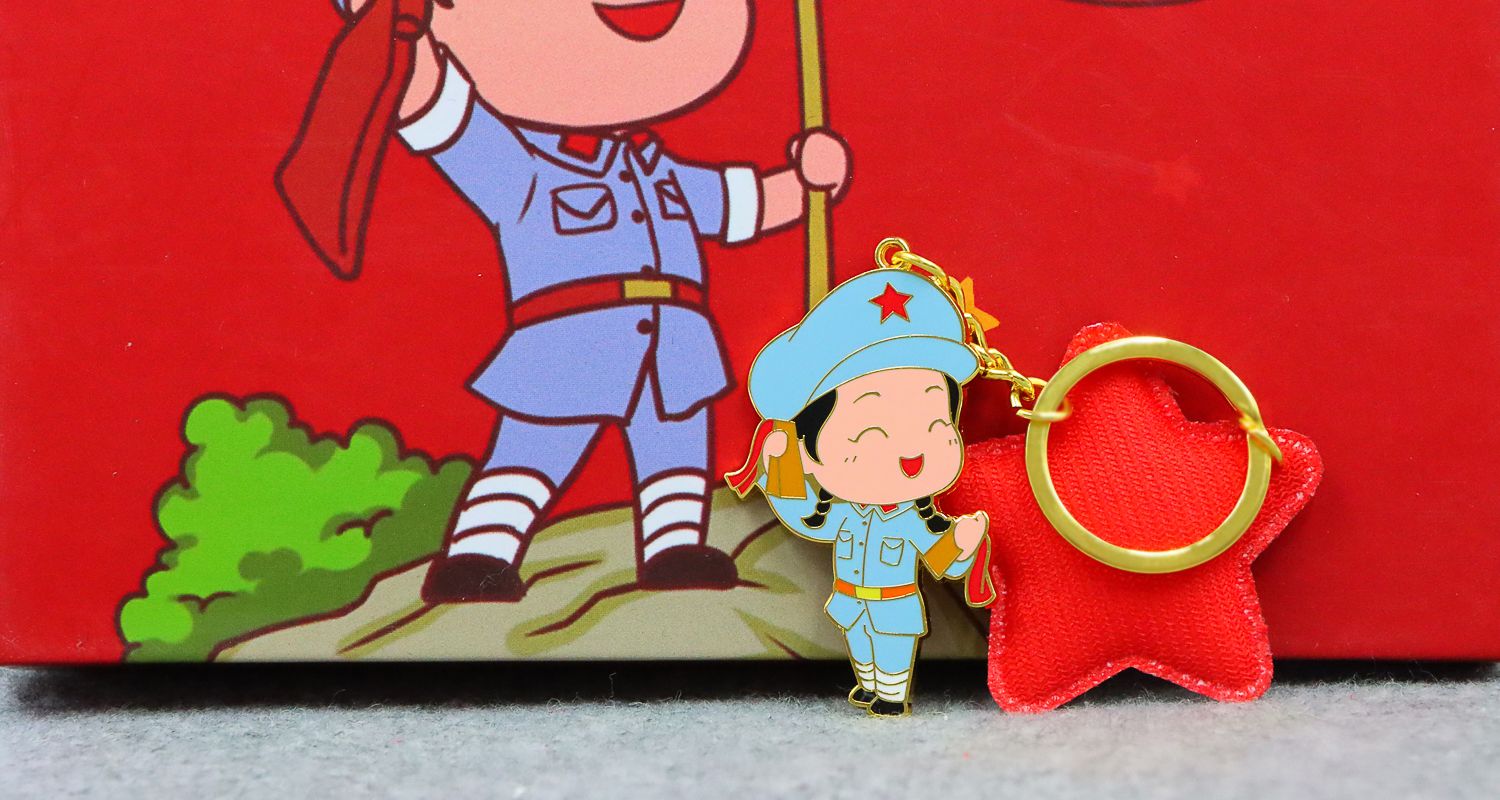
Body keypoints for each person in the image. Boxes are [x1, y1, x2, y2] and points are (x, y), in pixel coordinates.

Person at [282, 0, 852, 602]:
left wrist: (806, 182)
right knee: (534, 449)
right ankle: (482, 552)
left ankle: (675, 545)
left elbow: (739, 207)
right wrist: (404, 36)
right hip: (568, 341)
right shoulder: (524, 166)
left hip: (675, 339)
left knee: (675, 446)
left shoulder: (654, 168)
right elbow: (441, 115)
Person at [727, 268, 990, 717]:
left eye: (935, 425)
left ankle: (891, 694)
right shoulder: (842, 510)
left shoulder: (912, 517)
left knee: (891, 649)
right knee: (861, 645)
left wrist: (962, 543)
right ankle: (869, 686)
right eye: (871, 435)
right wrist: (780, 466)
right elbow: (806, 517)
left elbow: (939, 557)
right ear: (810, 453)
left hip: (896, 605)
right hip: (850, 600)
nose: (911, 452)